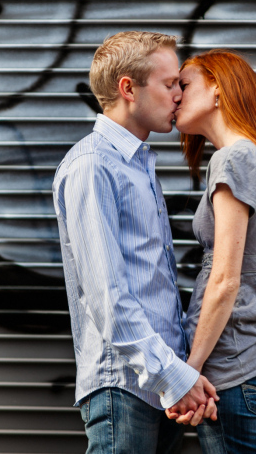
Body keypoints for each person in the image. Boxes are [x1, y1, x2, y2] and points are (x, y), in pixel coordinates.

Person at [52, 31, 218, 454]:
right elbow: (109, 298)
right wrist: (174, 377)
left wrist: (176, 377)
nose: (180, 95)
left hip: (159, 388)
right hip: (124, 388)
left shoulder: (138, 163)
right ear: (128, 88)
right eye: (170, 84)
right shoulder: (94, 165)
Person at [167, 49, 256, 453]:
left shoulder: (233, 159)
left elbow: (226, 279)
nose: (175, 95)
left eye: (184, 84)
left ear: (216, 90)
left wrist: (188, 373)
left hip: (234, 361)